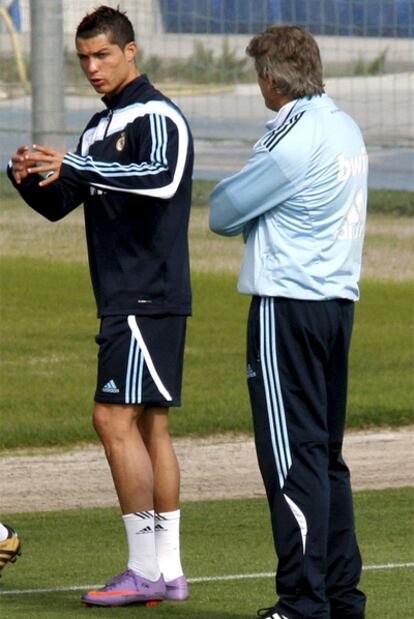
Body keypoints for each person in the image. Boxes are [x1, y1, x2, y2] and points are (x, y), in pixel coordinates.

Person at [7, 5, 193, 608]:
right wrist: (30, 177)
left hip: (145, 293)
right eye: (84, 57)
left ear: (131, 52)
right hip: (131, 296)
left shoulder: (156, 115)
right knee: (149, 426)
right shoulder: (97, 125)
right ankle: (168, 569)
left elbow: (160, 176)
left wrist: (81, 163)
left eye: (103, 55)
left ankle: (143, 569)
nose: (92, 67)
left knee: (113, 421)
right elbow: (66, 201)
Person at [210, 25, 367, 619]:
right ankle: (342, 596)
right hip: (336, 306)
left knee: (290, 458)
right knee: (326, 456)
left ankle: (303, 603)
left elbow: (224, 213)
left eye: (259, 77)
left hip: (287, 308)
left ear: (271, 80)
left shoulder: (292, 136)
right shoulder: (345, 126)